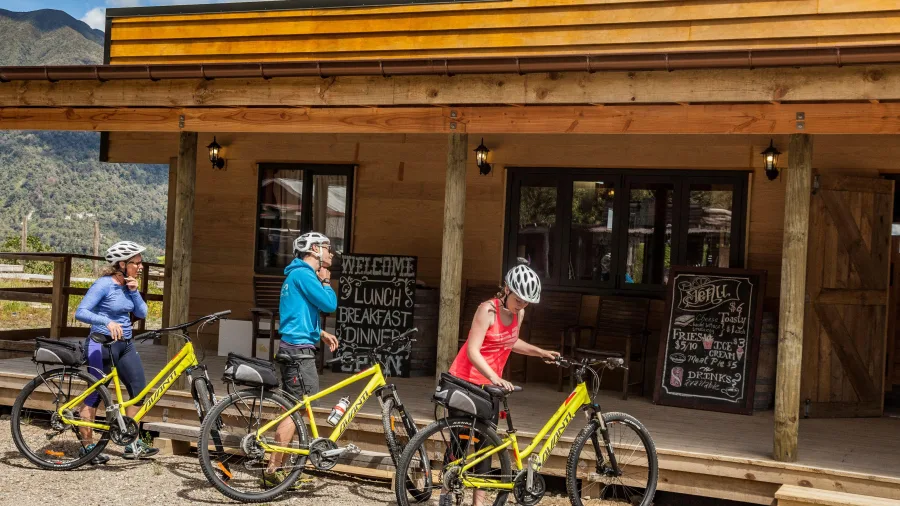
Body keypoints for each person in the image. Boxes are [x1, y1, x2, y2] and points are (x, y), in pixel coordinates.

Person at [446, 260, 559, 506]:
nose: (522, 305)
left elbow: (510, 341)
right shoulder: (487, 310)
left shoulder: (519, 314)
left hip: (490, 388)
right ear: (506, 289)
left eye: (526, 302)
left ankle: (478, 503)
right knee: (460, 442)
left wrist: (540, 352)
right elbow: (473, 351)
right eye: (518, 300)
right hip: (465, 380)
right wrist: (495, 376)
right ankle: (446, 492)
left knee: (486, 446)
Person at [263, 231, 338, 486]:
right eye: (327, 248)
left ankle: (283, 467)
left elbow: (297, 315)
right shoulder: (305, 275)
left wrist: (320, 333)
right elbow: (329, 304)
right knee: (294, 410)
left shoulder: (295, 275)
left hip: (293, 348)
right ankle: (273, 470)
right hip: (298, 354)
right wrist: (326, 281)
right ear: (315, 249)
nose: (331, 253)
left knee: (295, 409)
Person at [75, 240, 157, 464]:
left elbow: (142, 312)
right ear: (122, 264)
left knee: (139, 391)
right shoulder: (104, 284)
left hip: (125, 345)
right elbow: (81, 312)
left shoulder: (129, 286)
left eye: (140, 263)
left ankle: (132, 443)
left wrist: (135, 291)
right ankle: (87, 447)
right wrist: (106, 321)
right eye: (136, 263)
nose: (140, 267)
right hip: (100, 344)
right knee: (95, 395)